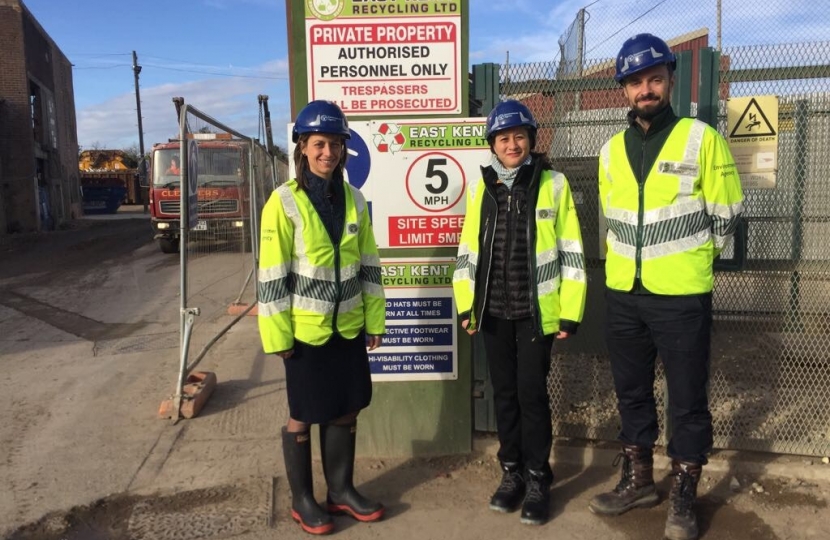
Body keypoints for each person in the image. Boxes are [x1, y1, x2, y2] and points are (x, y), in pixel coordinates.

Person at [587, 34, 744, 540]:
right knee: (631, 392)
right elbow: (610, 221)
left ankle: (683, 491)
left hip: (680, 295)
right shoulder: (610, 150)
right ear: (623, 91)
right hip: (623, 294)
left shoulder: (702, 138)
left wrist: (694, 260)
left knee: (686, 398)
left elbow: (726, 214)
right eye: (636, 82)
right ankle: (639, 480)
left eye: (654, 78)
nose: (646, 89)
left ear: (670, 80)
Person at [453, 99, 587, 526]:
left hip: (535, 314)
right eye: (503, 138)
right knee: (504, 395)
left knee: (531, 396)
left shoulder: (553, 184)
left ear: (531, 139)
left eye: (519, 136)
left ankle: (537, 478)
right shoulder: (481, 188)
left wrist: (569, 311)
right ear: (492, 144)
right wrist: (466, 306)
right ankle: (509, 474)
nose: (512, 144)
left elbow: (571, 251)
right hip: (491, 312)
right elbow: (468, 250)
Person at [257, 100, 386, 535]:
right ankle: (302, 500)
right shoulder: (283, 203)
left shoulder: (356, 200)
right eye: (318, 144)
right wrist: (278, 335)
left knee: (347, 408)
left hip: (348, 327)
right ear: (302, 148)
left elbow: (368, 265)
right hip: (304, 333)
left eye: (334, 144)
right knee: (303, 413)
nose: (327, 153)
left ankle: (341, 492)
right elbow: (272, 275)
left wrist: (374, 321)